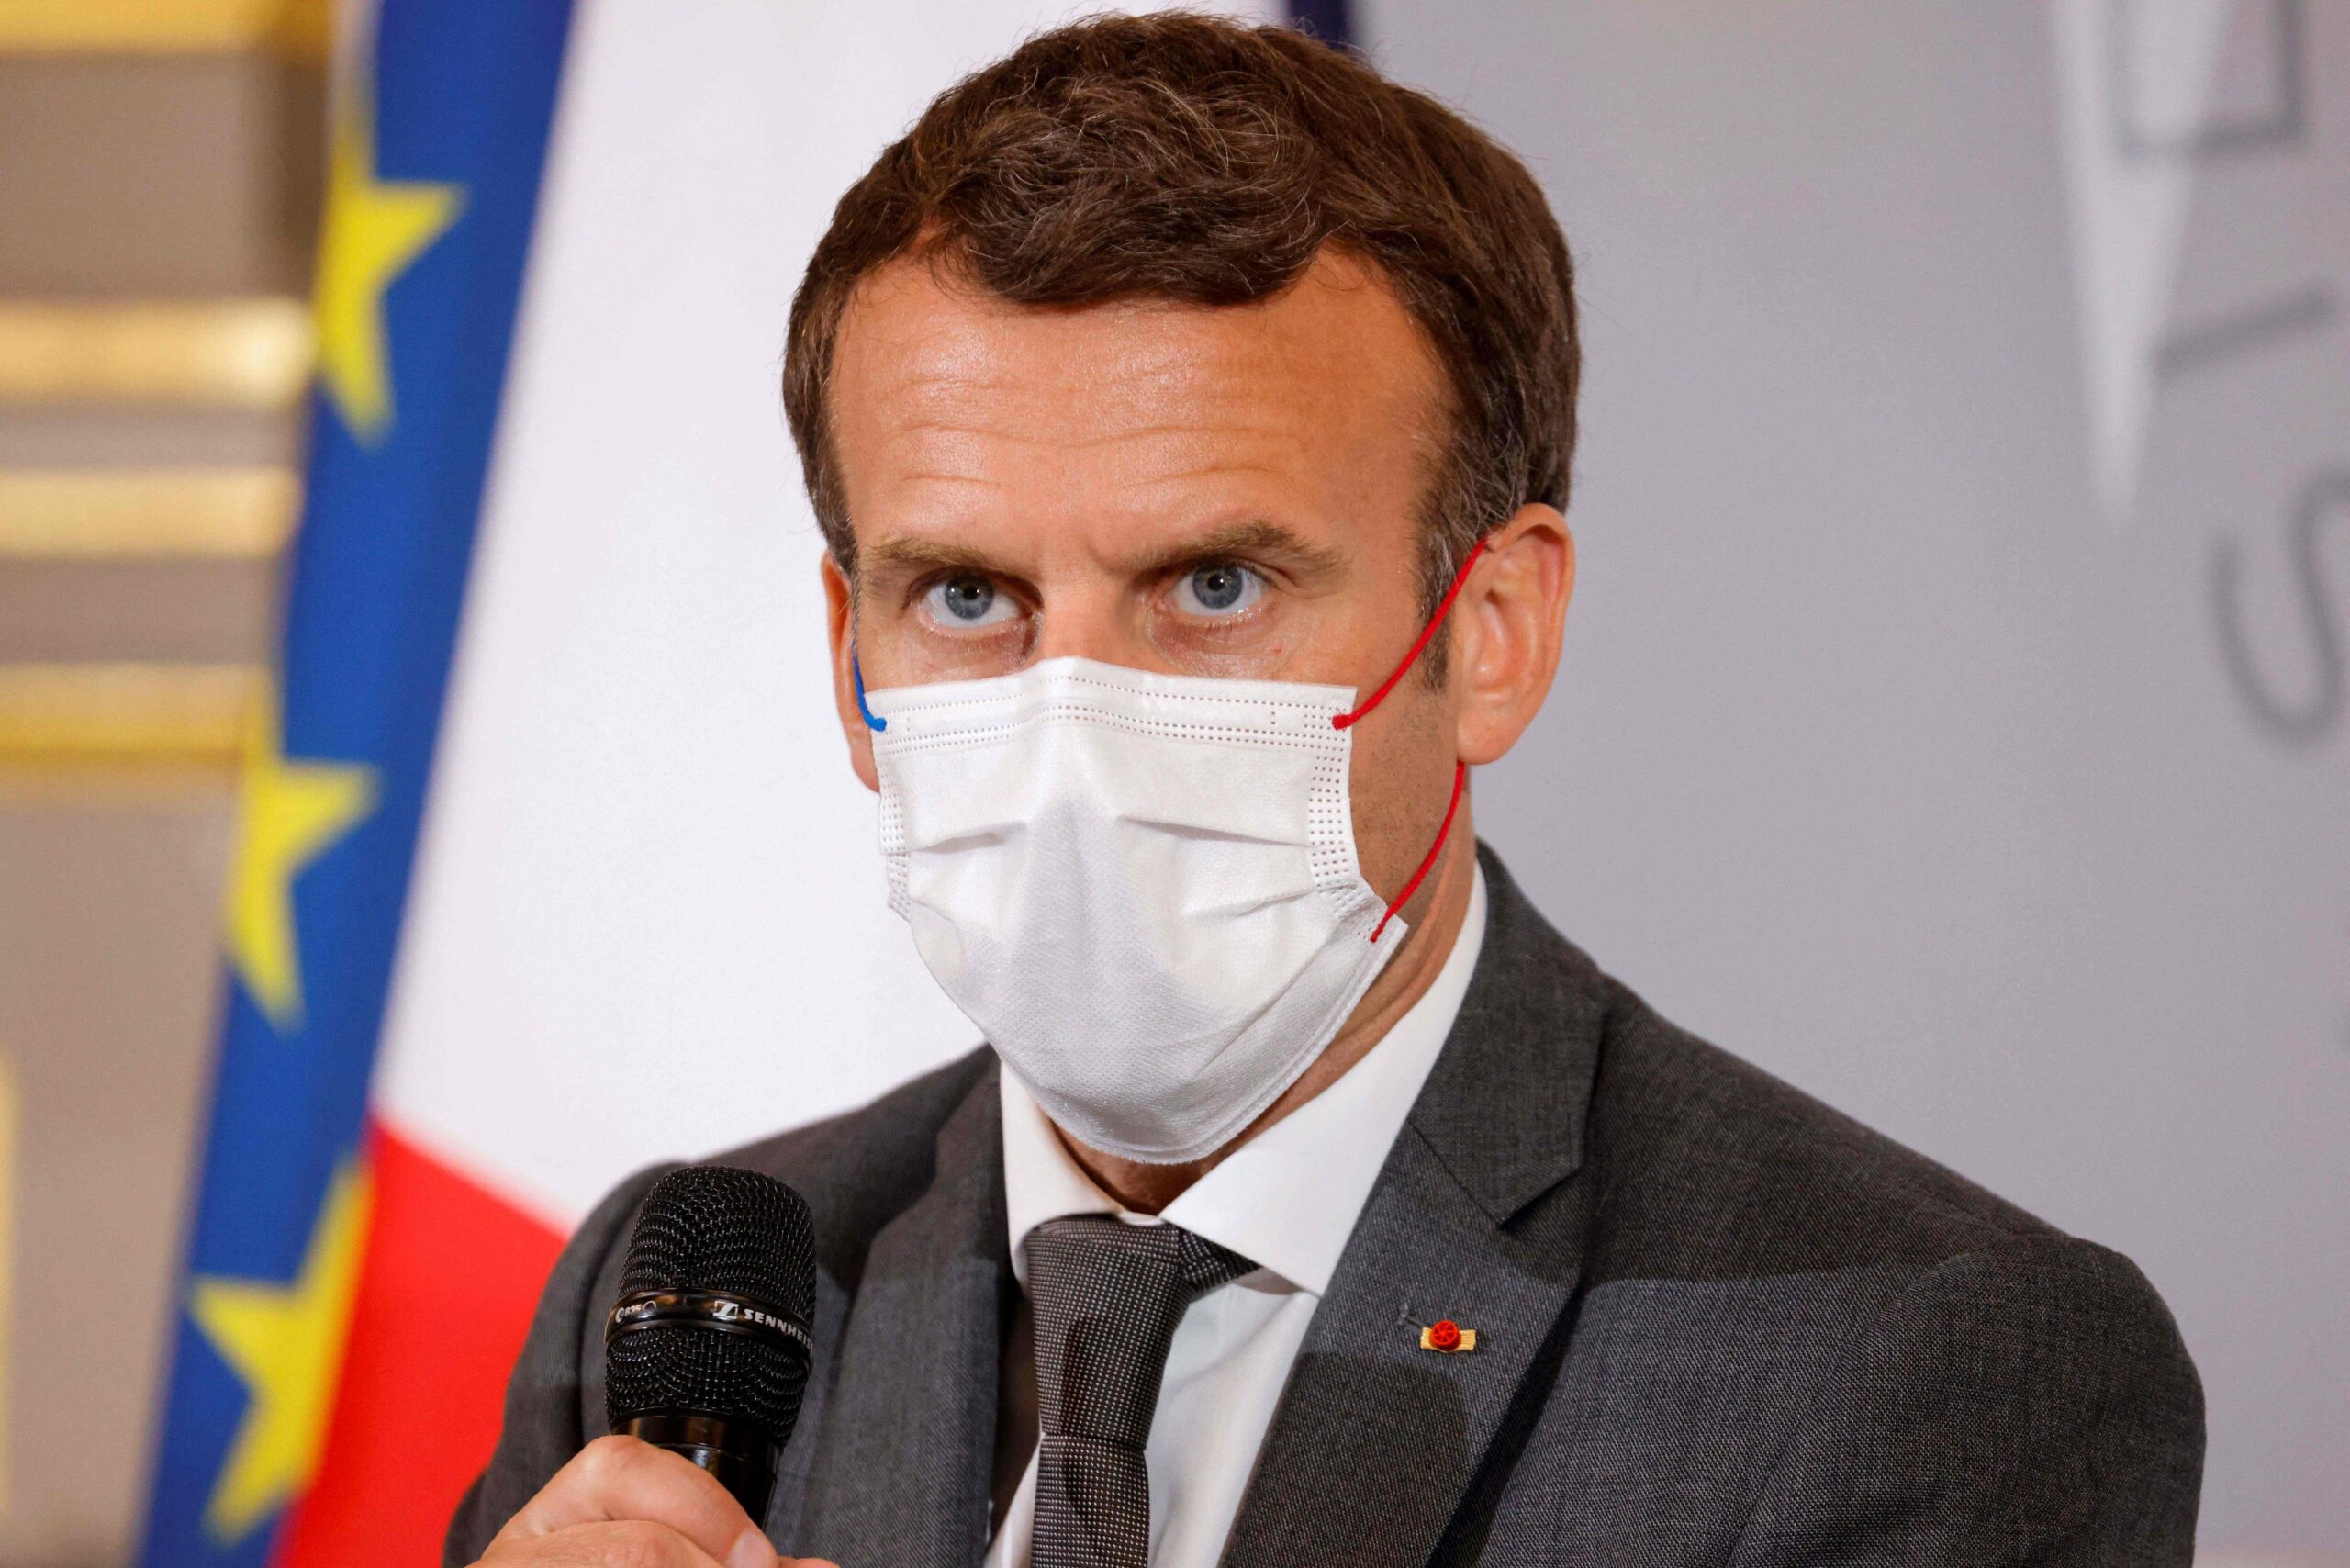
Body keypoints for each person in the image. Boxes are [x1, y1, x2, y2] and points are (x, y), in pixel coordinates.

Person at [447, 15, 2203, 1567]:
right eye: (969, 597)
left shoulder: (1918, 1363)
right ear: (851, 653)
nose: (1074, 727)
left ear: (1493, 630)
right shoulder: (693, 1298)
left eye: (1214, 586)